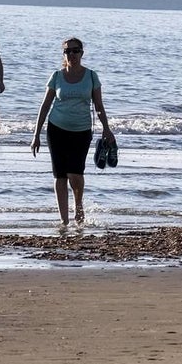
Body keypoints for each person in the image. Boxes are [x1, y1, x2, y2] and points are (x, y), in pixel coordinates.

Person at [29, 37, 114, 227]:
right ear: (64, 54)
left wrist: (107, 129)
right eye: (68, 51)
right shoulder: (57, 76)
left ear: (82, 53)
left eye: (75, 51)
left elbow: (99, 106)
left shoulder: (91, 76)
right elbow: (44, 106)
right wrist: (36, 135)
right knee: (60, 175)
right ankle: (64, 220)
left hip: (81, 130)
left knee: (75, 173)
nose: (72, 54)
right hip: (56, 129)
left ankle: (78, 205)